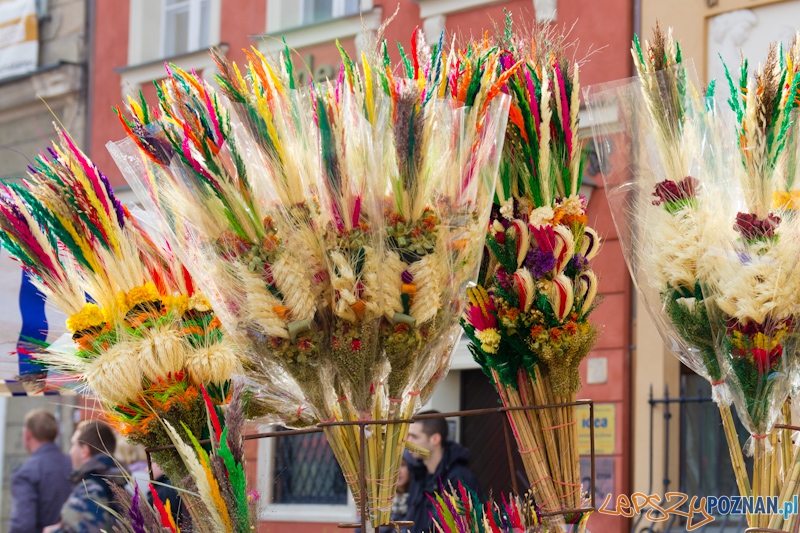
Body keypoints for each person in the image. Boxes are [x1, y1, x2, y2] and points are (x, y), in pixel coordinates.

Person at [43, 421, 127, 533]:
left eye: (73, 445)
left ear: (84, 451)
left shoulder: (89, 491)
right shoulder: (122, 487)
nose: (70, 452)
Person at [404, 411, 479, 533]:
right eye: (407, 436)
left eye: (414, 436)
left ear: (435, 439)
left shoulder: (459, 479)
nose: (408, 442)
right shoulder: (419, 476)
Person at [9, 409, 72, 533]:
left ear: (27, 434)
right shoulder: (74, 465)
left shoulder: (25, 474)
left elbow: (23, 526)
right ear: (57, 433)